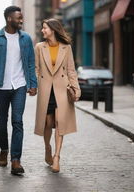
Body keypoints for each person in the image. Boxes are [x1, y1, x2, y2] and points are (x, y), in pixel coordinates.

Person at [0, 6, 37, 175]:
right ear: (9, 19)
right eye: (18, 18)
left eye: (22, 17)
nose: (21, 20)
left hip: (19, 85)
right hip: (0, 85)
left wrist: (33, 83)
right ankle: (4, 149)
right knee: (1, 121)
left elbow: (30, 63)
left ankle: (15, 160)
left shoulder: (26, 38)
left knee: (17, 121)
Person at [34, 18, 81, 173]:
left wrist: (76, 88)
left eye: (45, 28)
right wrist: (38, 82)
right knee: (47, 123)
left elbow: (71, 70)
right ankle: (47, 147)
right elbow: (36, 68)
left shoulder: (66, 48)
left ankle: (56, 157)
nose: (42, 30)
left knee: (60, 124)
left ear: (53, 30)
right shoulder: (39, 47)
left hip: (61, 90)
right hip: (46, 90)